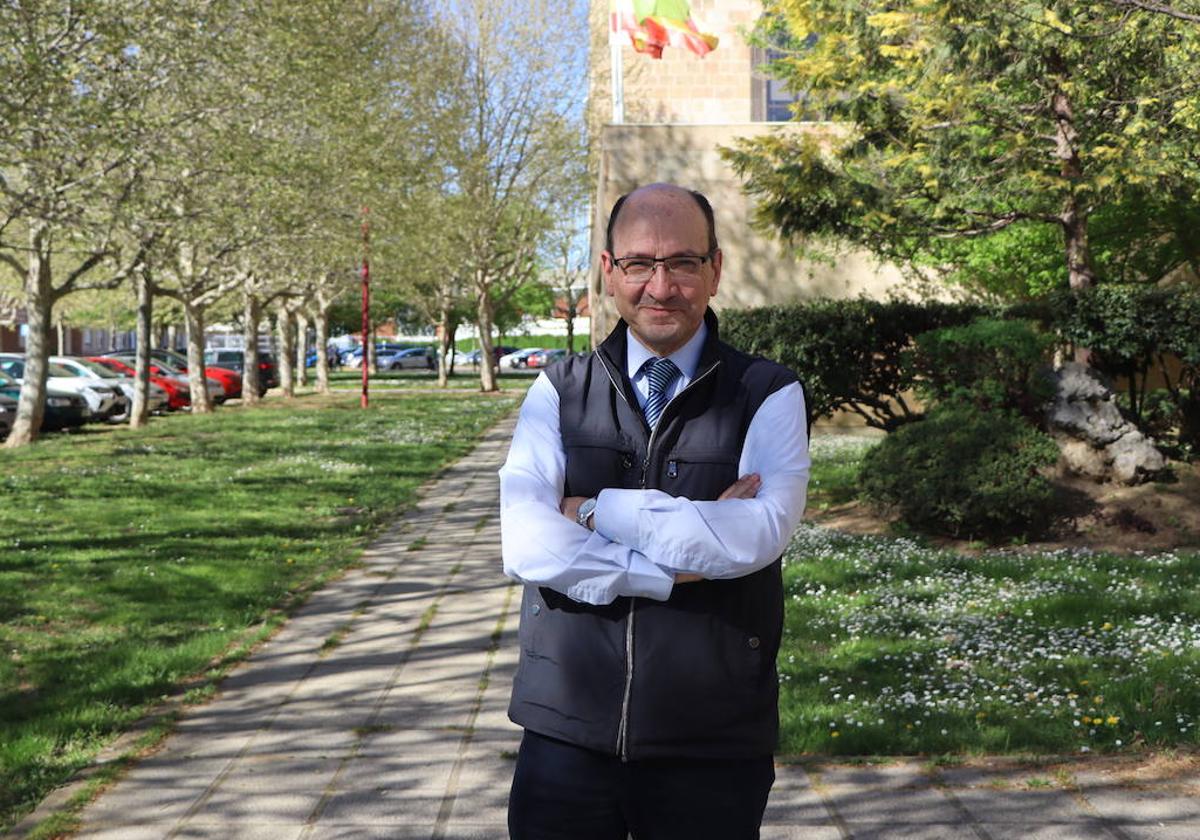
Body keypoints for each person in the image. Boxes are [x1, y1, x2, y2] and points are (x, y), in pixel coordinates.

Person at [499, 183, 810, 840]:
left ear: (715, 270)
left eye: (683, 263)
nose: (660, 287)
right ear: (609, 272)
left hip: (712, 733)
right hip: (566, 730)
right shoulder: (559, 390)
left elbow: (757, 535)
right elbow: (527, 545)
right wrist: (676, 565)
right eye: (639, 264)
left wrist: (589, 512)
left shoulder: (768, 393)